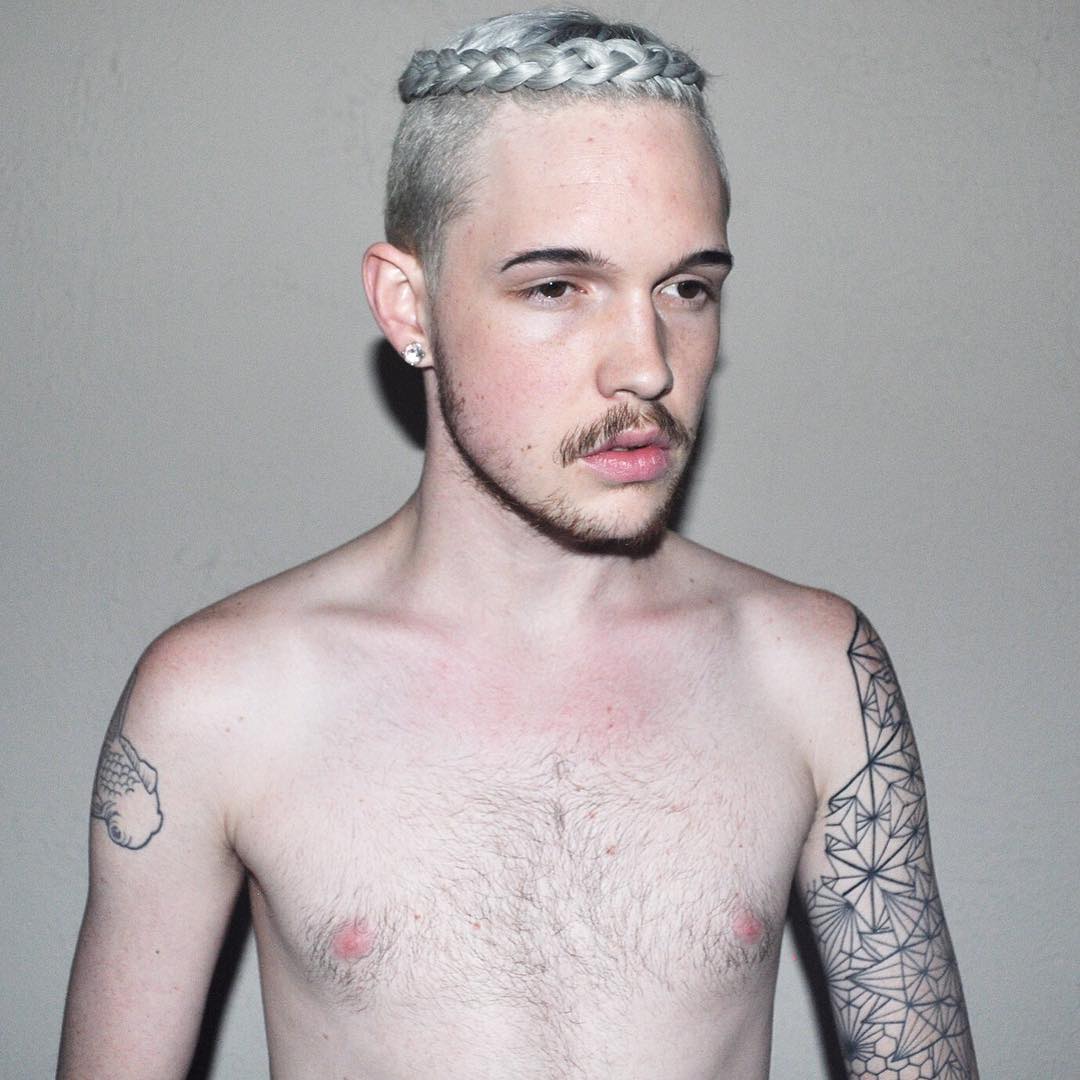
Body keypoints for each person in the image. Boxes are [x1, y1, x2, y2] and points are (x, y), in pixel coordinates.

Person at [57, 9, 979, 1079]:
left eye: (686, 287)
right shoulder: (219, 697)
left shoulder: (814, 672)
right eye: (556, 287)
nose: (647, 365)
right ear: (408, 306)